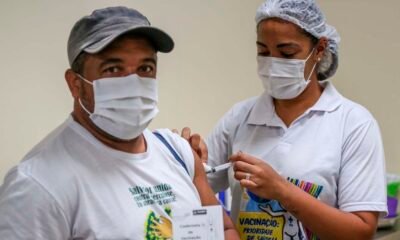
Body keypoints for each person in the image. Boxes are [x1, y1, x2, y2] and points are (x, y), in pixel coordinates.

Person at [0, 6, 239, 239]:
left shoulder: (177, 152)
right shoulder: (38, 184)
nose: (133, 82)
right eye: (113, 69)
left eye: (145, 67)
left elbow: (223, 229)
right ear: (75, 83)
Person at [187, 0, 387, 239]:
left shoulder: (353, 124)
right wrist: (193, 167)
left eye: (287, 52)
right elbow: (194, 196)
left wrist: (282, 191)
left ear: (320, 49)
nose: (272, 63)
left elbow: (361, 231)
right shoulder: (240, 118)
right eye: (263, 51)